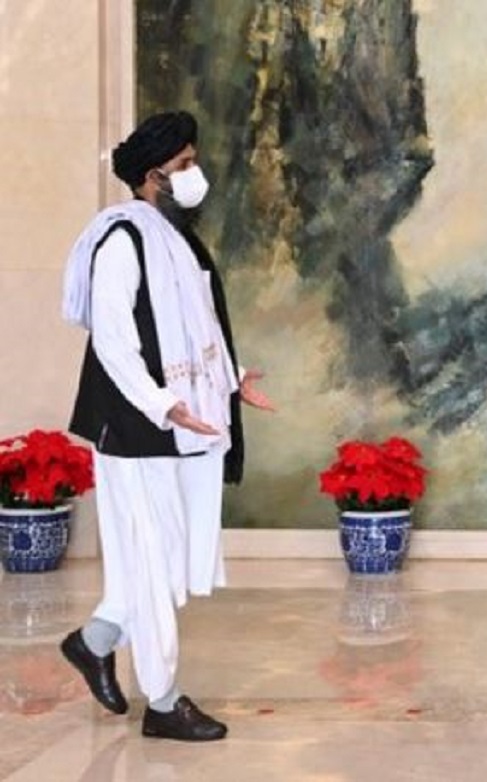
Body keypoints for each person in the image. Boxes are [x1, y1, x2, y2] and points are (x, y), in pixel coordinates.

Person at [59, 111, 274, 741]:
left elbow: (193, 328)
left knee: (163, 558)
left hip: (179, 420)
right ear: (154, 175)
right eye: (185, 164)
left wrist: (233, 378)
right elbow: (115, 341)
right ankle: (162, 700)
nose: (194, 173)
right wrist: (161, 404)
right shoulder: (122, 240)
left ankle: (95, 640)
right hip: (135, 426)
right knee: (152, 564)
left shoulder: (177, 238)